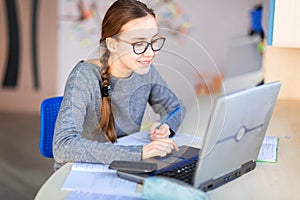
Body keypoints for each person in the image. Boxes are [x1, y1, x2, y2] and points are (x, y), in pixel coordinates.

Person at [53, 0, 184, 170]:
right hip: (82, 170)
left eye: (154, 41)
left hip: (123, 166)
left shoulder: (145, 70)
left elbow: (176, 107)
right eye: (139, 44)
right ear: (113, 44)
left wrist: (166, 125)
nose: (150, 53)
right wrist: (139, 153)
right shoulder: (84, 76)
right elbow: (63, 146)